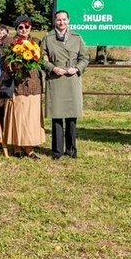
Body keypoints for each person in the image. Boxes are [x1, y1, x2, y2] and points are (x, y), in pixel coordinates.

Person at [41, 10, 88, 160]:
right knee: (56, 116)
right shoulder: (47, 38)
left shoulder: (77, 37)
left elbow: (84, 57)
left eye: (64, 20)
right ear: (55, 21)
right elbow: (41, 59)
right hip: (56, 78)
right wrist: (53, 68)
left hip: (72, 78)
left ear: (68, 20)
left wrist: (77, 68)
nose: (61, 23)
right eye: (59, 20)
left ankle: (71, 149)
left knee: (71, 115)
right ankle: (57, 151)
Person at [2, 15, 47, 158]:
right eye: (20, 27)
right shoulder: (10, 42)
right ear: (16, 28)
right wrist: (13, 65)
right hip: (17, 85)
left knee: (31, 118)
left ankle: (30, 149)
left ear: (30, 28)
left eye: (26, 27)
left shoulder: (36, 42)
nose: (24, 30)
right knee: (18, 117)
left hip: (34, 85)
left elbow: (42, 60)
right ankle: (17, 147)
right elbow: (3, 63)